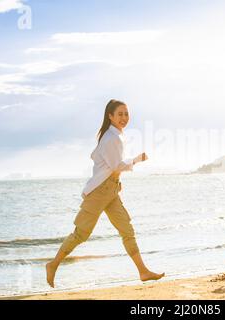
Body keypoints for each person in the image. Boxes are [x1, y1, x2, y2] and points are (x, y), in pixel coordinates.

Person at [46, 99, 165, 288]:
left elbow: (110, 166)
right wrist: (137, 160)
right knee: (81, 234)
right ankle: (53, 264)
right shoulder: (112, 138)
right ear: (110, 116)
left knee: (127, 230)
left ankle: (143, 271)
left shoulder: (116, 136)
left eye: (126, 114)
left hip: (111, 190)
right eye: (120, 114)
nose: (124, 118)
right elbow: (116, 165)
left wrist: (118, 180)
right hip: (99, 192)